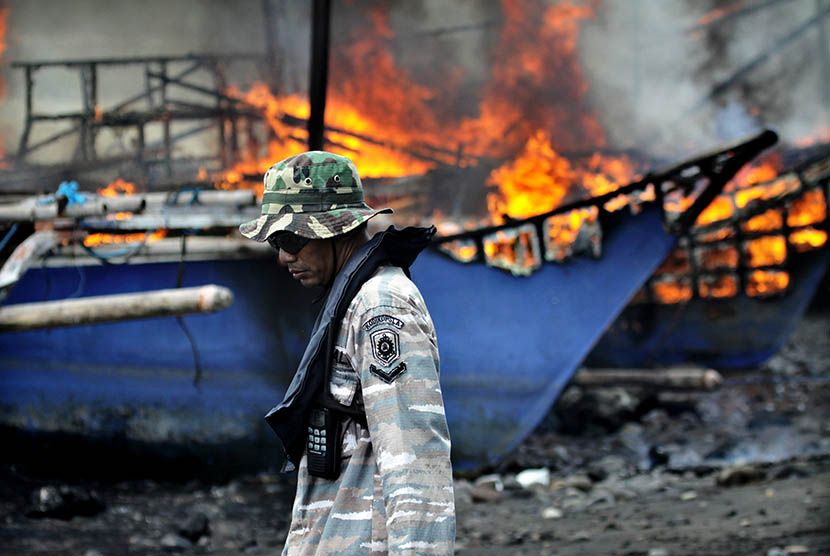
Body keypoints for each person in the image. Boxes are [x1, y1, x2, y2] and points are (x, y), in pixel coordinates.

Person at [239, 151, 455, 555]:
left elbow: (415, 456)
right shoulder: (352, 299)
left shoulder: (381, 306)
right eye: (275, 242)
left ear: (334, 230)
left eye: (290, 240)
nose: (284, 256)